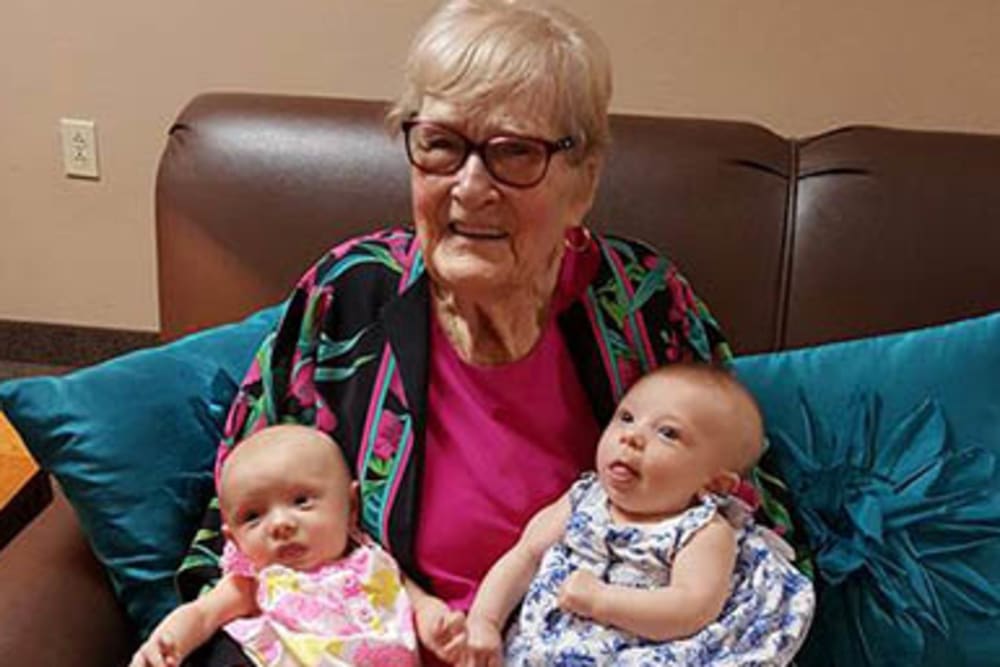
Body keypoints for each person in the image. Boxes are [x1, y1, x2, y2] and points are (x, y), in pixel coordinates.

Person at [175, 1, 792, 665]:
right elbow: (236, 516)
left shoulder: (644, 303)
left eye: (514, 152)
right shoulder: (347, 293)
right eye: (441, 144)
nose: (470, 187)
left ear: (582, 180)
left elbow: (745, 506)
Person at [464, 364, 815, 666]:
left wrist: (603, 601)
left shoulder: (702, 531)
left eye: (667, 433)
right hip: (540, 652)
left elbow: (690, 607)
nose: (631, 437)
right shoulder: (583, 498)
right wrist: (485, 620)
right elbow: (524, 556)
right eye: (626, 417)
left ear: (715, 483)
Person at [132, 425, 463, 667]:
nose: (280, 524)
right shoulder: (255, 584)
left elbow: (419, 604)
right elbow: (202, 614)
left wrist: (437, 623)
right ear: (233, 539)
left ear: (351, 508)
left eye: (301, 501)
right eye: (253, 516)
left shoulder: (376, 565)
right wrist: (167, 642)